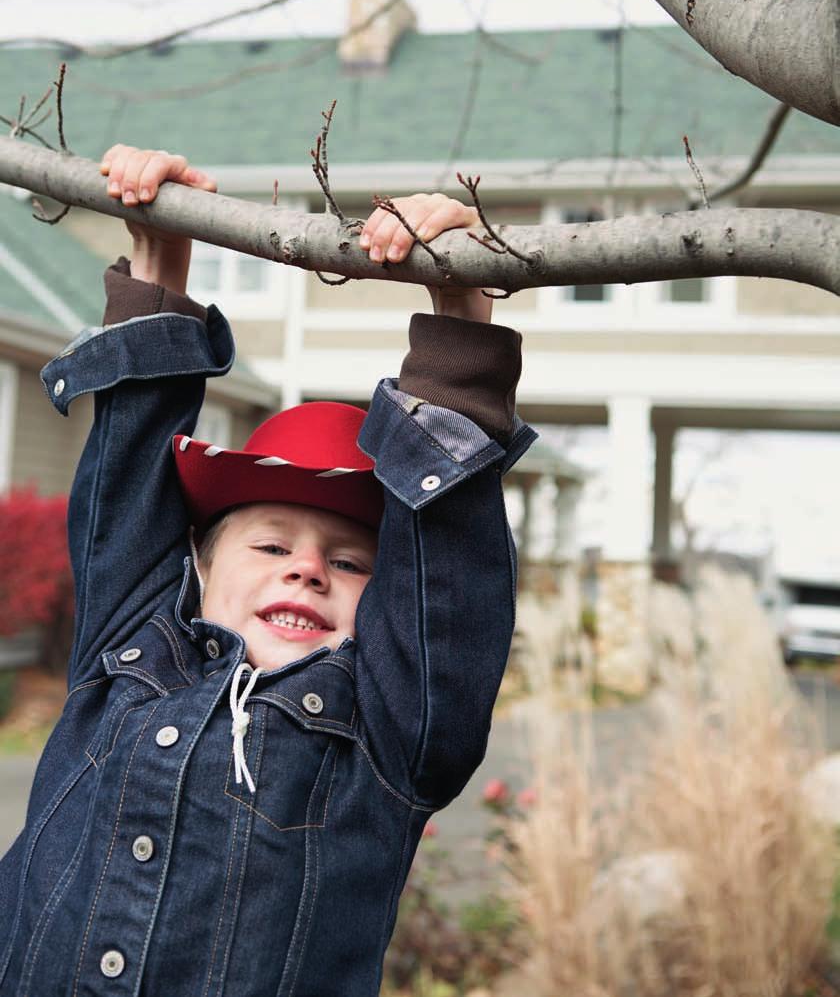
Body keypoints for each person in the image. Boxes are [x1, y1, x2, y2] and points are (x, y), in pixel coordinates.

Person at [0, 145, 535, 997]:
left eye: (351, 561)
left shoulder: (390, 732)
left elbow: (447, 582)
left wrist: (459, 315)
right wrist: (159, 260)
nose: (309, 572)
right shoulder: (129, 655)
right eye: (272, 546)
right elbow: (129, 482)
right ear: (199, 568)